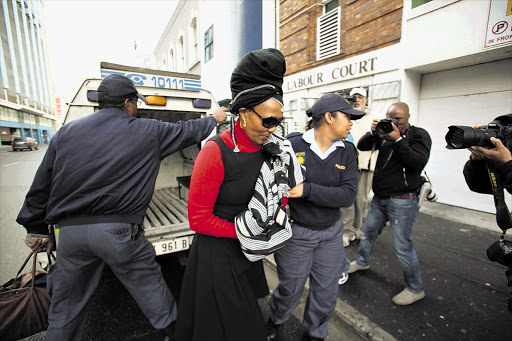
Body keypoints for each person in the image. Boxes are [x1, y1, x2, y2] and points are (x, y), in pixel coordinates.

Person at [16, 74, 227, 341]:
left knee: (66, 309)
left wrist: (35, 228)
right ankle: (177, 334)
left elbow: (41, 184)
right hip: (118, 232)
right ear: (128, 103)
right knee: (151, 291)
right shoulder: (148, 130)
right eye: (135, 103)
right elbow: (188, 131)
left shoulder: (66, 133)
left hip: (70, 234)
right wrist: (214, 119)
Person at [174, 48, 287, 341]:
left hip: (247, 252)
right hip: (218, 256)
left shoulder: (270, 148)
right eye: (268, 121)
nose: (274, 129)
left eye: (279, 121)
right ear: (245, 114)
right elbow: (198, 219)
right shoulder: (215, 151)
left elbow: (273, 197)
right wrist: (248, 232)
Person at [266, 93, 364, 341]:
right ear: (329, 118)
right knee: (290, 289)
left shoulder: (348, 151)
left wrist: (306, 190)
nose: (352, 122)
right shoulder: (292, 144)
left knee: (326, 292)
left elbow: (347, 196)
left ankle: (315, 332)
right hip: (296, 233)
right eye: (348, 117)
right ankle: (275, 320)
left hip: (331, 233)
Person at [348, 102, 432, 306]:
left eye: (398, 119)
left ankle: (415, 288)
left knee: (403, 246)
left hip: (402, 201)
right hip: (379, 198)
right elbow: (362, 146)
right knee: (368, 233)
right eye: (389, 117)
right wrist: (373, 132)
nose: (393, 122)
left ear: (408, 117)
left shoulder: (418, 135)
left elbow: (417, 163)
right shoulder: (383, 134)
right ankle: (362, 261)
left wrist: (399, 140)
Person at [340, 87, 378, 247]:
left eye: (360, 97)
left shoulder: (373, 118)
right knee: (347, 200)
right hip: (346, 164)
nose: (357, 100)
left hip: (364, 165)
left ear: (366, 99)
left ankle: (358, 229)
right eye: (354, 97)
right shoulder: (346, 115)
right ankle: (347, 231)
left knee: (361, 200)